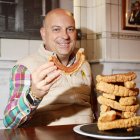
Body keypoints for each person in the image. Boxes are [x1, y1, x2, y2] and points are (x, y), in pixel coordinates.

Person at [3, 8, 96, 128]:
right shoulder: (24, 67)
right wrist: (34, 94)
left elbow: (95, 108)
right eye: (56, 29)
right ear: (43, 33)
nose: (65, 36)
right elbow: (9, 122)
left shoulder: (84, 64)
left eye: (70, 29)